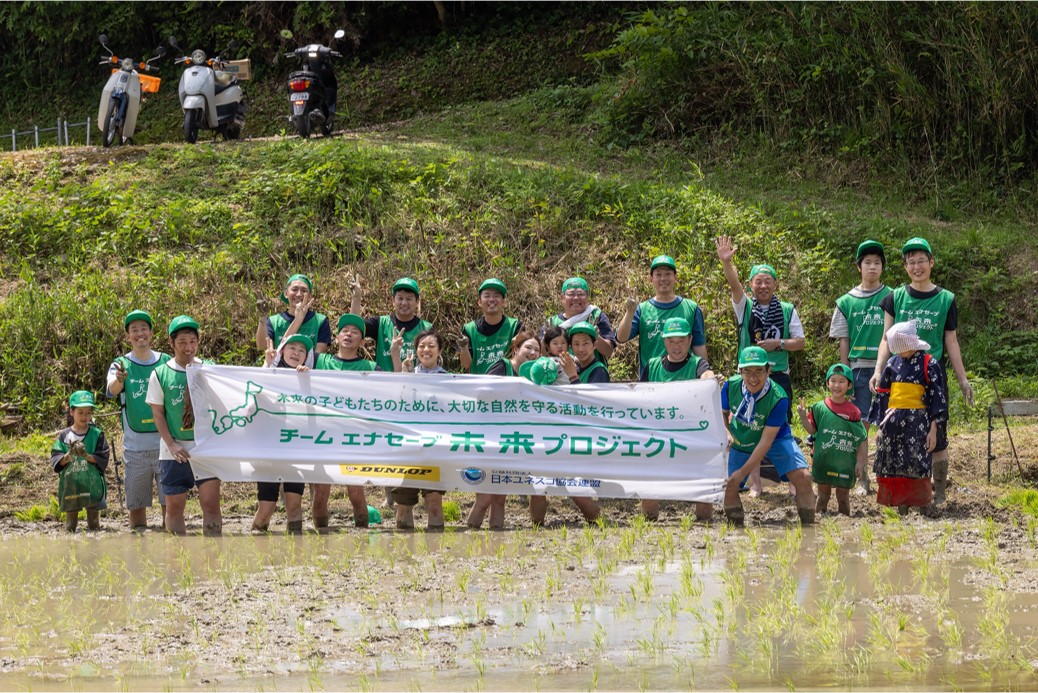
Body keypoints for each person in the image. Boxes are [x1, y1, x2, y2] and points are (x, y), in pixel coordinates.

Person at [870, 237, 974, 506]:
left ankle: (938, 491)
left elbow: (951, 340)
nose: (917, 267)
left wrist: (963, 380)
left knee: (937, 436)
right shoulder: (895, 297)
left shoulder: (945, 299)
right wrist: (878, 369)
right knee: (900, 436)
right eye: (911, 262)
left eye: (921, 261)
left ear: (931, 263)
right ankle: (905, 494)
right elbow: (885, 339)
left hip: (932, 376)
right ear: (905, 267)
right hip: (900, 375)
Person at [716, 236, 806, 496]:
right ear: (751, 285)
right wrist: (726, 263)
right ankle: (756, 484)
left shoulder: (787, 309)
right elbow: (733, 285)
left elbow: (799, 342)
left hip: (778, 375)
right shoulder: (745, 307)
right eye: (758, 281)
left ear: (776, 284)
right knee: (746, 426)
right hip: (749, 375)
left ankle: (789, 479)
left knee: (781, 429)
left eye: (768, 280)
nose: (763, 285)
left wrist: (777, 344)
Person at [721, 346, 815, 526]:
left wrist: (742, 473)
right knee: (728, 485)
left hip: (776, 439)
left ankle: (809, 528)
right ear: (740, 371)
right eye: (747, 372)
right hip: (741, 436)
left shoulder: (778, 397)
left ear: (768, 371)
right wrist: (726, 431)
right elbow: (722, 413)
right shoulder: (730, 385)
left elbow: (765, 442)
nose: (753, 378)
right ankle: (736, 530)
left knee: (803, 477)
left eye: (759, 371)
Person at [522, 322, 604, 526]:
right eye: (554, 343)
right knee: (538, 480)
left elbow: (590, 402)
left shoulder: (584, 366)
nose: (560, 347)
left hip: (572, 429)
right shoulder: (543, 364)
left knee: (571, 480)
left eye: (563, 343)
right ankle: (536, 525)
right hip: (546, 427)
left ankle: (597, 520)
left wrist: (571, 373)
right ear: (547, 346)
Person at [147, 315, 222, 536]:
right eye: (182, 342)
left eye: (192, 341)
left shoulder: (210, 369)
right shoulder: (161, 374)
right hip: (174, 451)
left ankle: (214, 555)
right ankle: (176, 559)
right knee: (174, 507)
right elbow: (158, 413)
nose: (188, 347)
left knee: (210, 504)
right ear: (171, 343)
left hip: (206, 448)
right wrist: (171, 444)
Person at [641, 317, 719, 522]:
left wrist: (709, 380)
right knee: (648, 491)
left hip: (690, 437)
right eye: (672, 341)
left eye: (682, 341)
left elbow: (707, 375)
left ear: (690, 339)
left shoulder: (697, 363)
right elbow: (639, 398)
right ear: (664, 341)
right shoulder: (652, 366)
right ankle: (648, 530)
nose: (677, 346)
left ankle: (705, 528)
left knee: (703, 491)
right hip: (658, 437)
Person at [830, 240, 890, 495]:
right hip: (859, 370)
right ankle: (861, 477)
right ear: (859, 267)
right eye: (867, 263)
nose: (872, 267)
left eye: (877, 263)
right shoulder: (846, 302)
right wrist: (845, 376)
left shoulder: (893, 297)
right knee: (860, 425)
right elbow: (844, 340)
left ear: (883, 268)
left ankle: (890, 477)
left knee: (891, 423)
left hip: (889, 367)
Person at [868, 321, 948, 513]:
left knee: (918, 461)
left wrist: (933, 429)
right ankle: (899, 503)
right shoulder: (892, 363)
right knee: (893, 461)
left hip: (918, 422)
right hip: (893, 421)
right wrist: (881, 426)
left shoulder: (929, 363)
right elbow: (883, 395)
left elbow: (937, 397)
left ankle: (923, 504)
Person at [468, 332, 542, 529]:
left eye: (537, 350)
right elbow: (481, 392)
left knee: (500, 498)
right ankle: (468, 539)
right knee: (485, 498)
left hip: (515, 441)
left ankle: (496, 547)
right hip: (491, 440)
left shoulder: (536, 375)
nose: (533, 353)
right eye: (528, 348)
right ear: (516, 349)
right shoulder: (503, 366)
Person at [105, 310, 171, 531]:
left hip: (166, 447)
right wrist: (120, 379)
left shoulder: (166, 362)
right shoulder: (120, 365)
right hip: (135, 449)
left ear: (151, 333)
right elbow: (111, 391)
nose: (140, 334)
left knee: (169, 508)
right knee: (136, 512)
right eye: (134, 330)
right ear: (128, 337)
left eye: (144, 329)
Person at [314, 315, 377, 528]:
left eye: (355, 332)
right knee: (321, 492)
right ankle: (319, 537)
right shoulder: (319, 361)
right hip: (323, 435)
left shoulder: (371, 366)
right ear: (337, 337)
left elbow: (390, 392)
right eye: (345, 330)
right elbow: (287, 364)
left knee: (355, 490)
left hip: (354, 437)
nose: (349, 334)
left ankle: (363, 535)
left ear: (362, 341)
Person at [251, 334, 313, 534]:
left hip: (296, 449)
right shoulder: (270, 373)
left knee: (294, 506)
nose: (296, 352)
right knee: (266, 509)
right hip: (268, 451)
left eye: (301, 350)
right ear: (282, 351)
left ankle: (296, 556)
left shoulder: (309, 377)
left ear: (306, 357)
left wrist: (307, 380)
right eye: (292, 348)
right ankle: (257, 546)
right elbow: (252, 392)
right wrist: (267, 365)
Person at [389, 328, 448, 530]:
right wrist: (404, 375)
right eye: (422, 346)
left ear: (439, 351)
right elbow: (396, 403)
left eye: (431, 346)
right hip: (409, 448)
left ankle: (437, 558)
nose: (426, 350)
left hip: (435, 447)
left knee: (434, 502)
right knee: (404, 504)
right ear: (416, 351)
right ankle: (403, 556)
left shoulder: (451, 380)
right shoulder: (408, 374)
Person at [616, 255, 708, 380]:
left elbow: (699, 346)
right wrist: (630, 312)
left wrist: (704, 375)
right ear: (651, 279)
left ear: (675, 277)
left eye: (668, 274)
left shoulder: (691, 308)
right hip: (652, 379)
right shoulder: (642, 309)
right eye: (658, 275)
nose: (663, 278)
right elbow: (621, 338)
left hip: (685, 381)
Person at [797, 364, 868, 516]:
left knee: (843, 496)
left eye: (842, 381)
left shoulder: (853, 412)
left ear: (849, 385)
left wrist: (860, 462)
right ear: (827, 383)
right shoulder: (819, 408)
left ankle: (847, 522)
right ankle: (817, 519)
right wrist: (803, 417)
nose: (837, 385)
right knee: (823, 495)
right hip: (824, 460)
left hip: (844, 463)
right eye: (833, 381)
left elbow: (862, 438)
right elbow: (812, 430)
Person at [51, 391, 111, 533]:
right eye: (80, 412)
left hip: (93, 483)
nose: (85, 417)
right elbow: (56, 461)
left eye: (88, 413)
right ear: (71, 412)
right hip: (71, 484)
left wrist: (86, 455)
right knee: (70, 525)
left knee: (94, 524)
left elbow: (103, 458)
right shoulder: (64, 436)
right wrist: (69, 454)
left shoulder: (97, 434)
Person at [350, 276, 432, 373]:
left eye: (409, 299)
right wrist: (356, 298)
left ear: (417, 302)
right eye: (400, 298)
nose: (404, 303)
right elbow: (354, 327)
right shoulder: (381, 324)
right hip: (384, 384)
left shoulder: (427, 328)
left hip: (415, 385)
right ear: (393, 301)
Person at [255, 273, 332, 355]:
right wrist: (262, 318)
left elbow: (318, 355)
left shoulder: (320, 321)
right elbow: (262, 346)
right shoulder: (274, 321)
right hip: (280, 366)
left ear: (309, 296)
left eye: (304, 290)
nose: (299, 294)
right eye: (294, 289)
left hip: (308, 367)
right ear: (286, 294)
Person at [459, 278, 523, 375]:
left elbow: (523, 360)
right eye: (487, 295)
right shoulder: (469, 329)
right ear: (479, 302)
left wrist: (516, 345)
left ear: (503, 302)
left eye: (496, 295)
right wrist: (463, 348)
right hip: (479, 385)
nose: (492, 299)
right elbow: (466, 365)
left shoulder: (515, 326)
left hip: (508, 384)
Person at [545, 277, 618, 361]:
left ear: (587, 297)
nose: (576, 298)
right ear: (562, 298)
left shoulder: (597, 316)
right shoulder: (552, 323)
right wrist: (546, 338)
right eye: (571, 294)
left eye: (580, 294)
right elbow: (542, 355)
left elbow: (609, 351)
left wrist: (595, 336)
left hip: (593, 372)